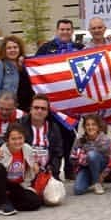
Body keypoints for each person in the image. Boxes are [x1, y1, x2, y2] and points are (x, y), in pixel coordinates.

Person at [34, 19, 83, 179]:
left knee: (70, 136)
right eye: (62, 29)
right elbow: (35, 68)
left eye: (68, 29)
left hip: (73, 102)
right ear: (57, 30)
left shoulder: (79, 49)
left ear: (72, 31)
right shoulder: (46, 48)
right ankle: (52, 170)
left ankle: (69, 168)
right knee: (53, 136)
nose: (65, 32)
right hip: (52, 103)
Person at [0, 123, 43, 215]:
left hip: (15, 186)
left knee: (36, 202)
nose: (17, 142)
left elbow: (29, 170)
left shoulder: (27, 149)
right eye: (13, 139)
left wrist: (34, 165)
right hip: (1, 185)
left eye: (20, 138)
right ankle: (3, 203)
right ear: (7, 140)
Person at [19, 94, 64, 179]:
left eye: (43, 109)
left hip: (47, 172)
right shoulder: (20, 125)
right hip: (25, 172)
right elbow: (7, 140)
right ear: (30, 109)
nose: (39, 111)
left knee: (57, 191)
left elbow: (58, 153)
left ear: (47, 112)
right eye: (36, 107)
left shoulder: (54, 127)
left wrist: (51, 169)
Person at [70, 114, 111, 195]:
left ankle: (97, 182)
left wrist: (103, 175)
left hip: (102, 166)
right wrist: (80, 158)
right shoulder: (79, 140)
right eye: (88, 125)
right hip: (86, 167)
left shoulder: (106, 140)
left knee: (92, 155)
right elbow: (72, 158)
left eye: (93, 124)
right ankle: (91, 178)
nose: (90, 127)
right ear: (84, 127)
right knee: (78, 190)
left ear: (98, 126)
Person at [0, 35, 30, 111]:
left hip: (25, 108)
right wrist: (3, 108)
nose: (12, 50)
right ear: (4, 50)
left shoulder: (25, 64)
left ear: (19, 49)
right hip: (8, 109)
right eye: (9, 48)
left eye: (15, 47)